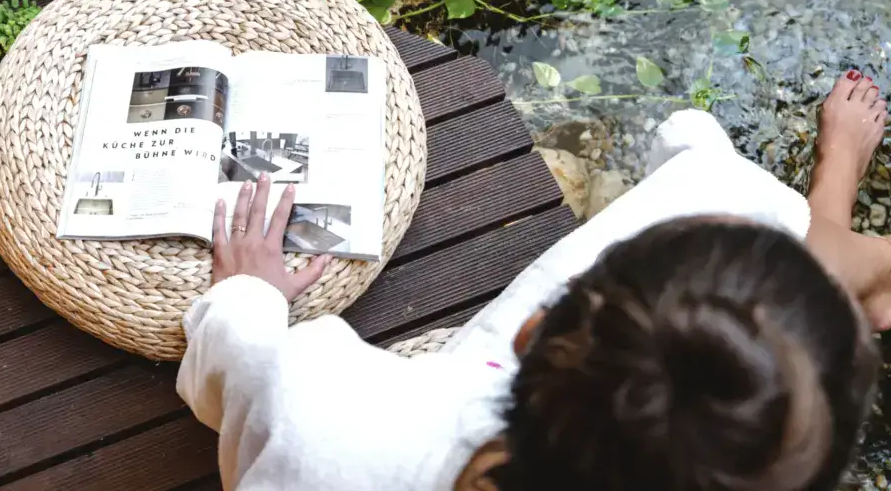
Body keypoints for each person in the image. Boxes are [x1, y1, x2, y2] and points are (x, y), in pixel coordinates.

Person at [176, 71, 889, 491]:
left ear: (533, 329)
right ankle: (850, 242)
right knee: (741, 211)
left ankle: (836, 240)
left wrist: (247, 293)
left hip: (440, 395)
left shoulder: (325, 415)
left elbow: (231, 365)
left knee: (723, 196)